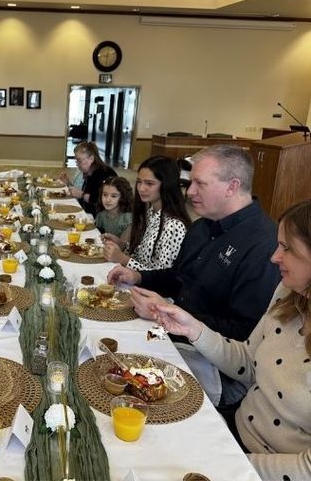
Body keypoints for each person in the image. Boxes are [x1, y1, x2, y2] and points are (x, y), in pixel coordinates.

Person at [152, 199, 311, 481]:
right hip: (234, 432)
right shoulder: (288, 295)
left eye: (287, 249)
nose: (275, 257)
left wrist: (230, 463)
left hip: (261, 468)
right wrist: (194, 329)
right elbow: (248, 364)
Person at [109, 145, 279, 404]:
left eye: (200, 184)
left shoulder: (263, 244)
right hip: (172, 332)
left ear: (232, 187)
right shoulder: (202, 226)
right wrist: (138, 277)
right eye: (190, 183)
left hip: (216, 365)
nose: (190, 192)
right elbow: (179, 277)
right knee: (114, 344)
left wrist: (172, 314)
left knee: (125, 387)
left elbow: (246, 332)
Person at [102, 155, 188, 270]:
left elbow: (162, 277)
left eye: (149, 183)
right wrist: (122, 245)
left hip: (146, 286)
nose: (141, 188)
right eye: (139, 182)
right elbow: (142, 253)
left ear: (167, 185)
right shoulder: (150, 212)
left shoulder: (174, 225)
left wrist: (123, 259)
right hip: (131, 277)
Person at [59, 140, 116, 215]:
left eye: (79, 161)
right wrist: (68, 183)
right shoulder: (91, 171)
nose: (78, 164)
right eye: (76, 161)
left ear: (91, 159)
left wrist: (81, 195)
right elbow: (85, 193)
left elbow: (100, 201)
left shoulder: (102, 173)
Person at [94, 176, 133, 242]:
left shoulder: (127, 219)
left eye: (114, 196)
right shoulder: (102, 215)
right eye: (105, 194)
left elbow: (123, 247)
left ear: (123, 197)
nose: (107, 200)